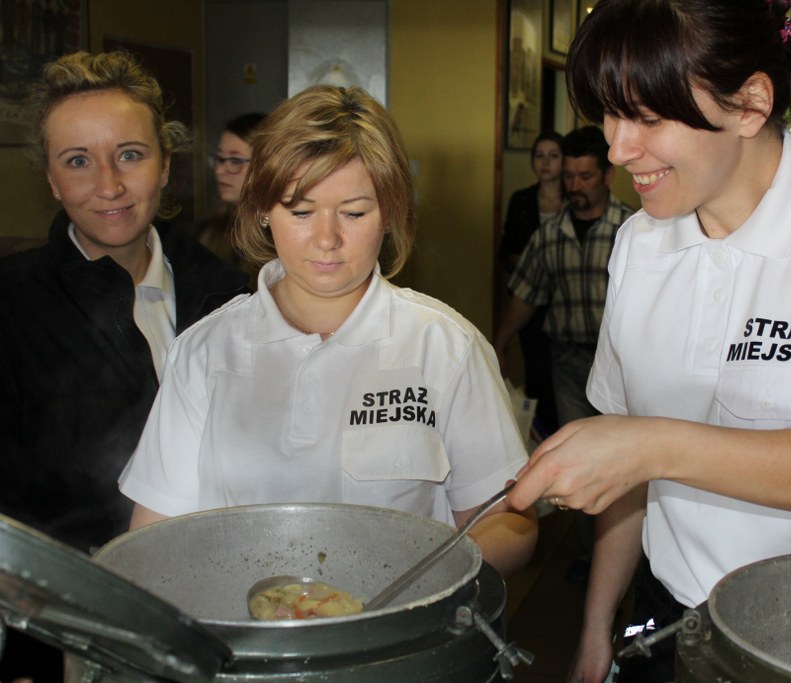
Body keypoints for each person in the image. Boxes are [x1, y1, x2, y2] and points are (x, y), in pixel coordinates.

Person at [503, 2, 791, 682]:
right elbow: (627, 472)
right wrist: (598, 629)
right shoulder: (641, 243)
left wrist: (652, 443)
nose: (618, 148)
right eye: (608, 113)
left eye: (648, 118)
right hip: (674, 615)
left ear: (749, 105)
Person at [118, 85, 538, 579]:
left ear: (390, 216)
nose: (327, 239)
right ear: (263, 214)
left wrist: (418, 583)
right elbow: (152, 537)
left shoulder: (445, 347)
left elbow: (510, 522)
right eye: (300, 211)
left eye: (354, 212)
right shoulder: (204, 352)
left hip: (397, 638)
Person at [0, 50, 249, 681]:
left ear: (166, 165)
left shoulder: (229, 295)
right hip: (69, 629)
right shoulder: (11, 304)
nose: (107, 185)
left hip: (228, 607)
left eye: (130, 155)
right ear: (52, 181)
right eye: (78, 161)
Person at [494, 125, 633, 581]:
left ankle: (632, 559)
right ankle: (593, 557)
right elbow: (526, 294)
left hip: (624, 368)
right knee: (577, 459)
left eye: (586, 176)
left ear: (607, 176)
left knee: (624, 463)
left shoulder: (633, 231)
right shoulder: (549, 234)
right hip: (570, 362)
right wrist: (499, 343)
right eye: (569, 176)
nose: (575, 185)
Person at [498, 131, 565, 436]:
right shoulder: (522, 199)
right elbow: (506, 250)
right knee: (537, 375)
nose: (546, 163)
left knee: (564, 375)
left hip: (567, 300)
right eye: (540, 156)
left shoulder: (575, 195)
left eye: (553, 155)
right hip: (530, 299)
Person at [194, 111, 266, 288]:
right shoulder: (206, 233)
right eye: (219, 159)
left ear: (266, 166)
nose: (220, 170)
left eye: (235, 160)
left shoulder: (282, 236)